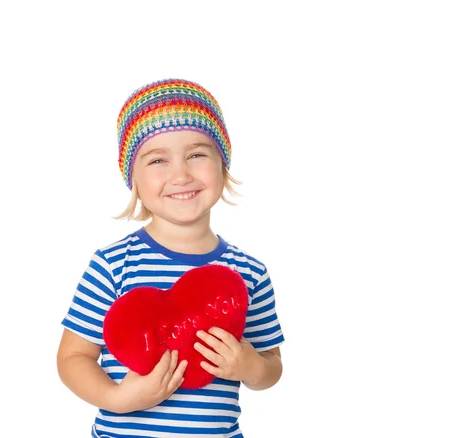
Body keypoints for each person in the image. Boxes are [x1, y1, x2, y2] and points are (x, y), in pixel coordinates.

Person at [56, 78, 285, 437]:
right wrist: (116, 398)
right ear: (133, 178)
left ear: (223, 164)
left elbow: (272, 365)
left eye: (196, 154)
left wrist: (249, 365)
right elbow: (72, 358)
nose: (180, 174)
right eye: (158, 159)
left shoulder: (247, 272)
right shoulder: (113, 265)